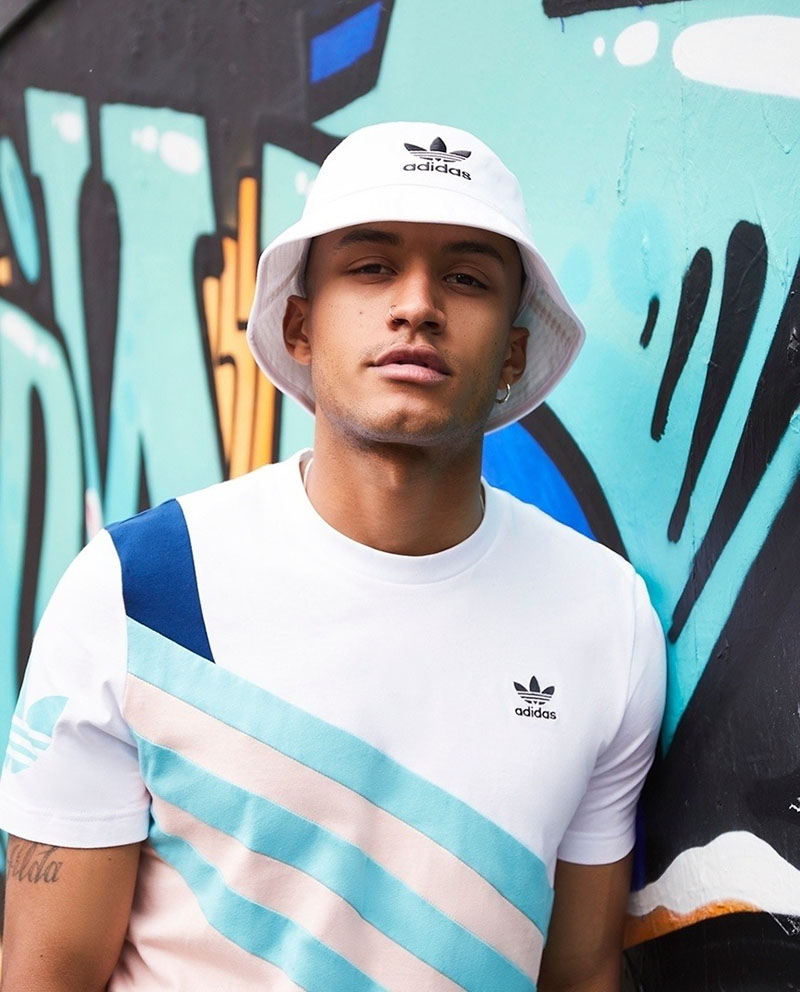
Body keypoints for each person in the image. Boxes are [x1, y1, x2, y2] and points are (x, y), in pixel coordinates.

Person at [0, 121, 665, 991]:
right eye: (372, 266)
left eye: (466, 278)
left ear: (513, 351)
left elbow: (580, 973)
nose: (417, 305)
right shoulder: (141, 588)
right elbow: (46, 974)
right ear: (300, 325)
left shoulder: (603, 616)